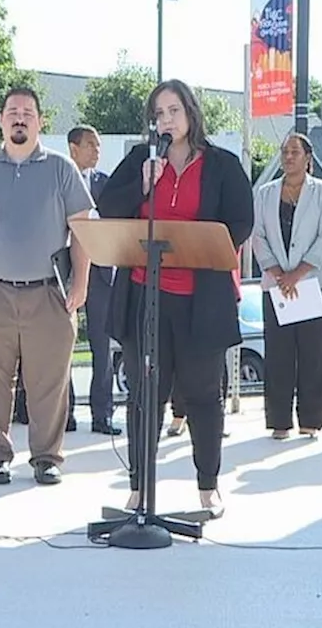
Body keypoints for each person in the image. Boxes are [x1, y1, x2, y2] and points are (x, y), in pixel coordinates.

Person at [97, 79, 253, 517]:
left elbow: (240, 222)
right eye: (159, 114)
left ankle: (208, 487)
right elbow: (109, 210)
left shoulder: (222, 165)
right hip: (144, 298)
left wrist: (200, 242)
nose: (166, 120)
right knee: (145, 395)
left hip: (200, 300)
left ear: (191, 113)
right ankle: (139, 487)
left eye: (174, 111)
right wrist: (143, 186)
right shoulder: (138, 161)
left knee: (204, 394)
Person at [0, 86, 94, 487]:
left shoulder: (62, 169)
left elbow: (82, 228)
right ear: (1, 120)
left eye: (28, 111)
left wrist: (81, 282)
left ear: (40, 121)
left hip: (49, 293)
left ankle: (47, 457)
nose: (20, 117)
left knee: (49, 382)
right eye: (12, 111)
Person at [12, 125, 119, 436]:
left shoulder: (104, 184)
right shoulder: (55, 179)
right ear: (73, 147)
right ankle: (65, 413)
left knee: (102, 346)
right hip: (61, 272)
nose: (97, 151)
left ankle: (103, 415)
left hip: (99, 272)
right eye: (90, 145)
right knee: (60, 347)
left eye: (99, 145)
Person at [252, 133, 322, 439]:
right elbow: (258, 236)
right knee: (278, 353)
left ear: (307, 158)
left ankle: (311, 420)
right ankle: (279, 421)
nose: (288, 157)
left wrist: (297, 274)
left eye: (294, 151)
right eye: (284, 151)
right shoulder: (265, 193)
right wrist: (277, 272)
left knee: (313, 354)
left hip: (312, 282)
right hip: (275, 284)